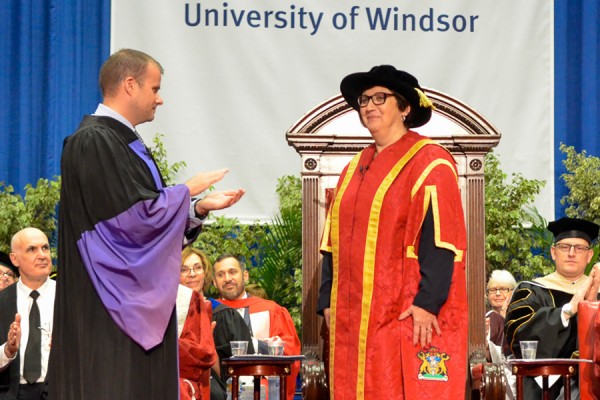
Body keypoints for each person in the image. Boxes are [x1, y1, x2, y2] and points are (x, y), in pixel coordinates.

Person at [47, 48, 245, 400]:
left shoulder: (120, 142)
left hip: (122, 304)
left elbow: (144, 219)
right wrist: (188, 189)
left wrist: (196, 208)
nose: (160, 99)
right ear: (129, 84)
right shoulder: (94, 141)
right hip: (108, 308)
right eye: (154, 89)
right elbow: (130, 224)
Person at [316, 65, 468, 399]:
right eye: (364, 99)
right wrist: (327, 298)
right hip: (351, 315)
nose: (368, 106)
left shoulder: (430, 162)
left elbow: (443, 240)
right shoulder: (353, 167)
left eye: (380, 98)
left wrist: (428, 302)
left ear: (405, 107)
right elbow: (332, 243)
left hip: (403, 309)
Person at [505, 217, 600, 399]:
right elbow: (517, 336)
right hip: (543, 388)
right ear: (554, 252)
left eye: (579, 248)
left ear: (589, 256)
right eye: (565, 247)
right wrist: (568, 309)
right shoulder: (531, 290)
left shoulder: (597, 292)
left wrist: (592, 304)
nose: (572, 253)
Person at [213, 254, 301, 400]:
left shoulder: (271, 310)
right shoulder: (209, 311)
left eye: (232, 272)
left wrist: (264, 347)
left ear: (245, 276)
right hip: (220, 389)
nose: (227, 278)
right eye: (221, 274)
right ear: (215, 282)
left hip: (262, 390)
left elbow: (290, 353)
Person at [179, 247, 252, 400]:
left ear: (205, 274)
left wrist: (208, 345)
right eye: (183, 269)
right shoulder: (169, 318)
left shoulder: (224, 315)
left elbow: (244, 371)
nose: (192, 274)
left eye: (197, 268)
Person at [0, 228, 55, 400]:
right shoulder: (2, 301)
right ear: (14, 259)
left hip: (60, 390)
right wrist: (8, 350)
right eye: (32, 249)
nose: (42, 255)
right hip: (13, 393)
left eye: (45, 248)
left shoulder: (69, 297)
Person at [485, 269, 517, 361]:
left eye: (503, 289)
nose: (498, 293)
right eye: (493, 290)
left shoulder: (520, 318)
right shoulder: (489, 318)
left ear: (513, 292)